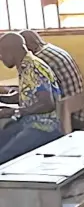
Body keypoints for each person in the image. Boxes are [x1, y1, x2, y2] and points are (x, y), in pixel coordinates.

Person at [0, 32, 62, 165]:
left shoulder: (34, 68)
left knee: (4, 157)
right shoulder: (25, 66)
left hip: (45, 127)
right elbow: (27, 95)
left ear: (11, 51)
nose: (1, 58)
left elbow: (47, 104)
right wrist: (2, 99)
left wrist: (14, 112)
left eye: (1, 54)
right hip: (29, 122)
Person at [20, 30, 84, 131]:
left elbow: (37, 97)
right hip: (80, 109)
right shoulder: (51, 49)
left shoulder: (38, 60)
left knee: (20, 124)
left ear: (28, 45)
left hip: (69, 117)